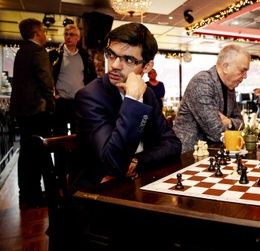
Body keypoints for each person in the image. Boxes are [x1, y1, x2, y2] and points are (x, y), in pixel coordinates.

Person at [56, 22, 181, 249]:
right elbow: (113, 164)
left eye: (128, 60)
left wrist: (136, 161)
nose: (114, 65)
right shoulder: (89, 96)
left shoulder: (149, 95)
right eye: (111, 54)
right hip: (94, 199)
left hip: (135, 190)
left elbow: (173, 143)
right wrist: (132, 101)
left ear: (147, 65)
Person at [9, 18, 55, 209]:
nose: (45, 35)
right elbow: (46, 81)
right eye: (43, 31)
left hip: (22, 110)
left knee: (26, 153)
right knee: (39, 152)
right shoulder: (37, 51)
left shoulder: (21, 51)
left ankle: (26, 194)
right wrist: (52, 103)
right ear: (37, 32)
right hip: (37, 109)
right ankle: (40, 195)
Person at [173, 44, 250, 154]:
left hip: (215, 152)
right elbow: (216, 132)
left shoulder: (230, 87)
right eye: (242, 70)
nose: (245, 76)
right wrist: (230, 127)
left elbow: (242, 124)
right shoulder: (202, 82)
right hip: (189, 155)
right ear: (226, 67)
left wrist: (228, 122)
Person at [49, 24, 97, 136]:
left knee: (79, 134)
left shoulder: (85, 56)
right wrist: (53, 94)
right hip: (61, 101)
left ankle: (77, 154)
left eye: (72, 34)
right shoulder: (55, 55)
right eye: (66, 34)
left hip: (79, 101)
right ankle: (61, 154)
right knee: (59, 134)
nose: (68, 37)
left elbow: (91, 78)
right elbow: (47, 77)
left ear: (78, 38)